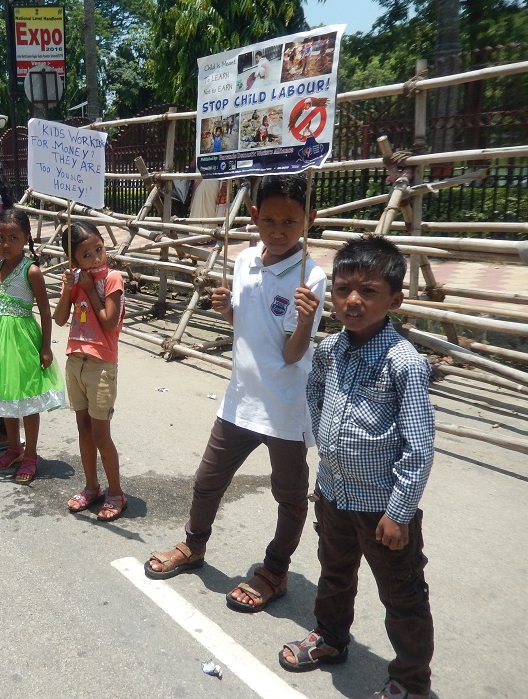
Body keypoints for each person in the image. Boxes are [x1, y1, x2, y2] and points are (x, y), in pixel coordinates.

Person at [144, 175, 326, 611]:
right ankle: (194, 545)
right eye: (269, 220)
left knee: (289, 493)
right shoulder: (244, 261)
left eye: (290, 221)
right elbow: (247, 326)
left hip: (283, 405)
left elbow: (289, 354)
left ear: (309, 220)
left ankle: (275, 570)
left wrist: (305, 320)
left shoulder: (311, 277)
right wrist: (228, 310)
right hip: (240, 398)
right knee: (207, 480)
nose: (278, 230)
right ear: (254, 218)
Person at [279, 236, 435, 699]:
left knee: (402, 595)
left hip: (382, 508)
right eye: (344, 287)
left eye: (367, 291)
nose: (352, 300)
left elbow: (420, 446)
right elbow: (316, 397)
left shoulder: (403, 363)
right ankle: (330, 638)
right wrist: (329, 461)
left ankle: (411, 680)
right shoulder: (329, 350)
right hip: (334, 496)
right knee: (334, 571)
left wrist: (400, 512)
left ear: (395, 299)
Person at [0, 208, 65, 483]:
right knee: (6, 399)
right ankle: (14, 448)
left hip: (22, 341)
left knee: (26, 400)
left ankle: (31, 454)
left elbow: (45, 311)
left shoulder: (30, 270)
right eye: (0, 237)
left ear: (26, 239)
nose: (6, 244)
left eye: (13, 237)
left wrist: (46, 347)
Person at [54, 220, 127, 522]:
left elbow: (109, 322)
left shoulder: (112, 278)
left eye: (99, 248)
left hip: (101, 366)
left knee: (101, 434)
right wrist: (68, 290)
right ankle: (91, 486)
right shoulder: (75, 280)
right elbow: (60, 319)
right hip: (76, 361)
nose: (97, 258)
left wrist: (88, 290)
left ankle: (115, 492)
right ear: (73, 261)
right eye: (87, 255)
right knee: (83, 429)